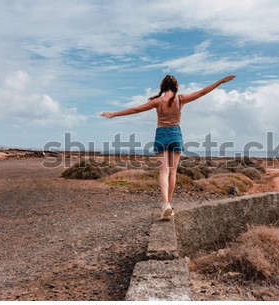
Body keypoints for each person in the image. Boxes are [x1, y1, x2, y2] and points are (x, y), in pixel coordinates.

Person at [101, 74, 236, 220]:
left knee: (163, 173)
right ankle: (168, 204)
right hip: (175, 134)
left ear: (162, 86)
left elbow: (136, 109)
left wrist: (114, 114)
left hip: (161, 134)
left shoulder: (157, 101)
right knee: (173, 173)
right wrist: (221, 81)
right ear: (176, 86)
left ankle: (165, 204)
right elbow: (202, 92)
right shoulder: (180, 99)